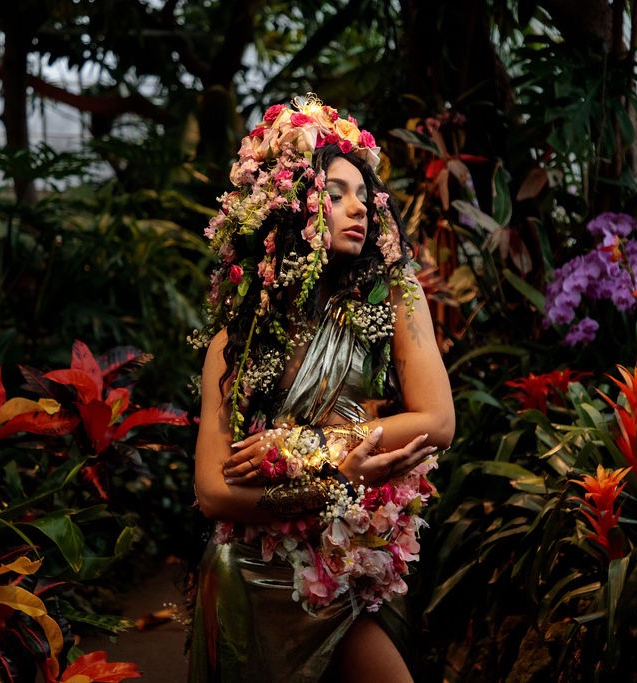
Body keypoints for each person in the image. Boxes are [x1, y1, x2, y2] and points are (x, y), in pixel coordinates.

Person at [188, 94, 454, 683]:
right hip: (253, 569)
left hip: (344, 562)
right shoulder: (234, 342)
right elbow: (212, 491)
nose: (358, 208)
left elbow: (437, 421)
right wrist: (338, 480)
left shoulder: (394, 298)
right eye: (335, 195)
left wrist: (306, 451)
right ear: (289, 210)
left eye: (364, 194)